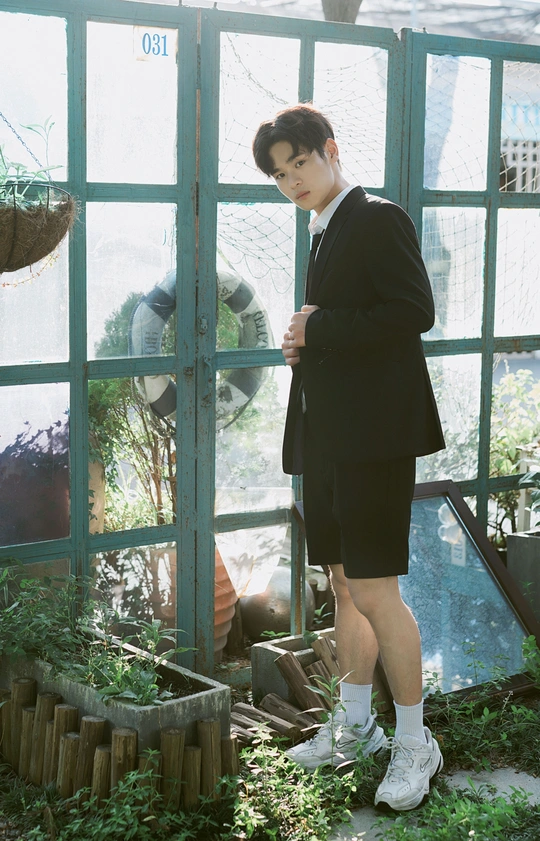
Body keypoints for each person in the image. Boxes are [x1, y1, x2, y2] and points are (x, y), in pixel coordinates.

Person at [252, 104, 446, 812]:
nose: (292, 181)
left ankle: (415, 741)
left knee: (374, 588)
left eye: (300, 163)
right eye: (280, 174)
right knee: (341, 582)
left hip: (373, 440)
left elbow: (414, 310)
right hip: (330, 436)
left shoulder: (375, 218)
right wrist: (306, 342)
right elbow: (344, 329)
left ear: (330, 151)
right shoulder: (325, 230)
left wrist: (321, 326)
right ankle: (358, 724)